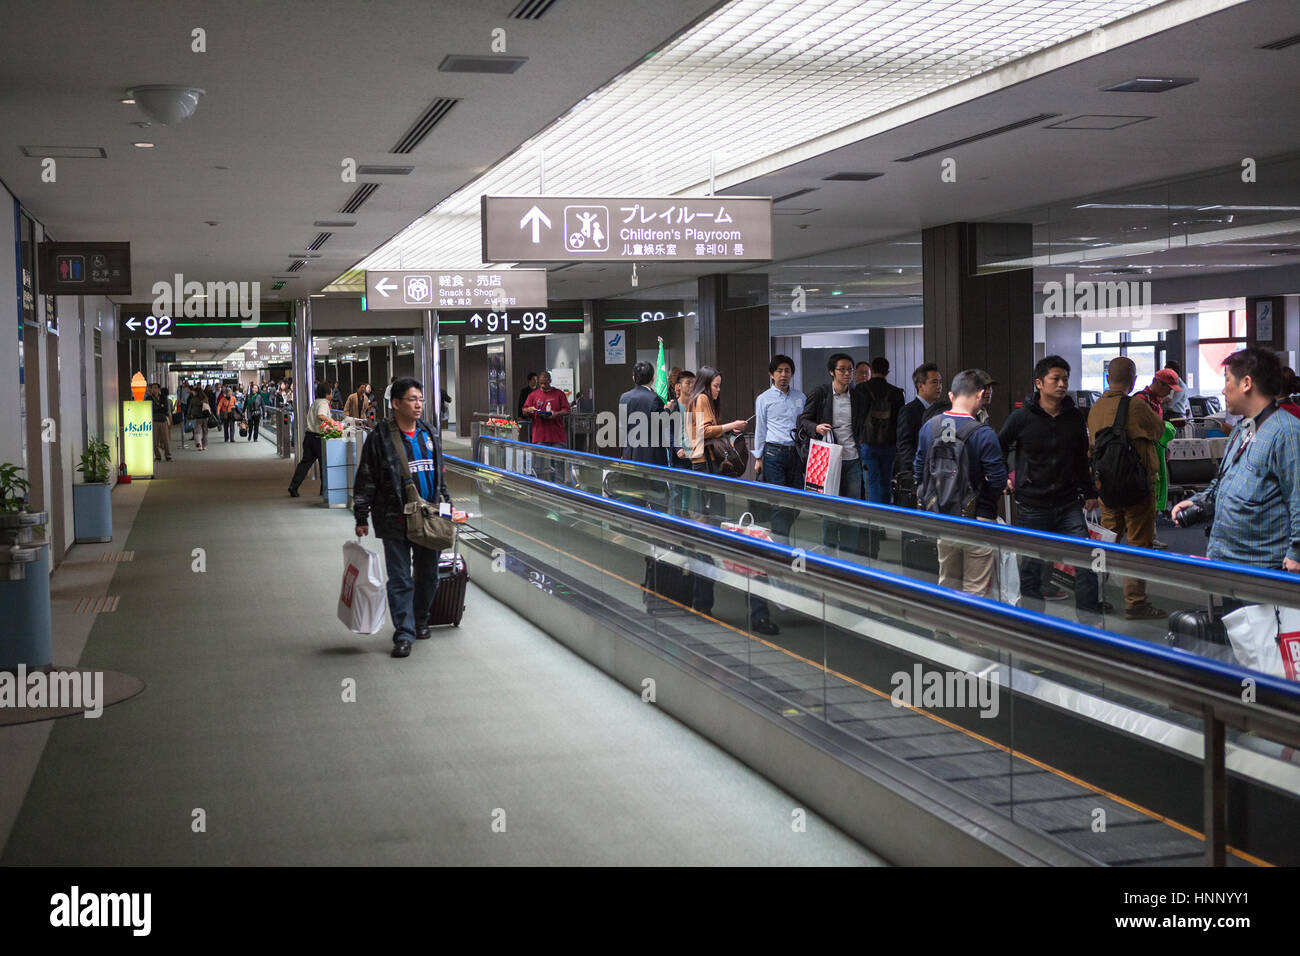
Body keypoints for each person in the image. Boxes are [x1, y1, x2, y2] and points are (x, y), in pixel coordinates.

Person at [998, 356, 1111, 613]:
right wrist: (1003, 475)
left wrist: (1090, 491)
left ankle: (1089, 617)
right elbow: (999, 446)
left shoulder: (1074, 417)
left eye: (1065, 379)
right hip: (1032, 505)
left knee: (1085, 558)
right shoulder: (1021, 418)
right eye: (1055, 379)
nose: (1062, 384)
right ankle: (1033, 619)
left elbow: (1081, 460)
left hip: (1068, 502)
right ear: (1039, 383)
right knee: (1032, 566)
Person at [1173, 348, 1300, 574]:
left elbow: (1298, 497)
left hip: (1265, 569)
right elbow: (1223, 482)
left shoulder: (1287, 432)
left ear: (1247, 383)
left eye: (1228, 380)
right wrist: (1198, 501)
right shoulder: (1242, 429)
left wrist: (1297, 552)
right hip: (1228, 562)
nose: (1223, 389)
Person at [353, 377, 451, 659]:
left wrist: (448, 507)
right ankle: (404, 634)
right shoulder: (381, 437)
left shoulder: (429, 433)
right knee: (399, 579)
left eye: (420, 399)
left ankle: (420, 620)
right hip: (393, 518)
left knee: (429, 576)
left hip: (429, 517)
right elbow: (366, 478)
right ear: (395, 404)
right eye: (412, 399)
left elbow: (439, 477)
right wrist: (361, 515)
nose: (419, 404)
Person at [914, 369, 1007, 597]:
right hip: (978, 518)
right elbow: (997, 480)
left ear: (951, 395)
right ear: (980, 395)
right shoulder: (983, 433)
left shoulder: (930, 427)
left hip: (942, 515)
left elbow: (918, 470)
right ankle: (969, 633)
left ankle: (943, 630)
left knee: (947, 579)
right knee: (975, 589)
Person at [1087, 357, 1166, 620]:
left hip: (1106, 487)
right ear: (1133, 380)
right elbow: (1158, 431)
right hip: (1137, 488)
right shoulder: (1136, 405)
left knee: (1107, 541)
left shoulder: (1095, 408)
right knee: (1138, 544)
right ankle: (1135, 602)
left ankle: (1095, 594)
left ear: (1108, 378)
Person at [748, 354, 804, 636]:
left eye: (787, 371)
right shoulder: (764, 399)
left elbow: (803, 427)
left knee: (794, 502)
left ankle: (782, 534)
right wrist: (758, 457)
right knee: (780, 502)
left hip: (795, 453)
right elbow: (760, 428)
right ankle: (779, 541)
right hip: (772, 452)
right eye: (779, 371)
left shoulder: (800, 397)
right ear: (771, 374)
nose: (784, 375)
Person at [685, 366, 747, 616]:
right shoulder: (701, 398)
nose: (718, 390)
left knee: (707, 516)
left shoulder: (699, 399)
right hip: (704, 463)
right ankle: (703, 594)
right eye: (716, 385)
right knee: (708, 517)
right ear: (706, 384)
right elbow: (704, 431)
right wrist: (730, 425)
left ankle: (703, 593)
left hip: (701, 461)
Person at [797, 353, 865, 502]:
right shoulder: (820, 393)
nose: (847, 373)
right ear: (831, 372)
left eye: (850, 369)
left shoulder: (858, 396)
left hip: (852, 457)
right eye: (842, 369)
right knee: (829, 503)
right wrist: (816, 427)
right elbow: (803, 420)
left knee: (853, 504)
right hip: (827, 457)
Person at [895, 363, 949, 505]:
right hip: (916, 476)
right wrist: (917, 470)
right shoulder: (909, 411)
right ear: (920, 385)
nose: (939, 386)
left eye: (940, 382)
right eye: (934, 382)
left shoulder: (942, 411)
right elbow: (904, 445)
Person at [857, 357, 906, 504]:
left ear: (872, 370)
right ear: (888, 371)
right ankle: (886, 517)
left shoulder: (860, 390)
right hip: (889, 444)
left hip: (868, 442)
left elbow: (857, 417)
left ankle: (874, 520)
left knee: (871, 482)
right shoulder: (897, 392)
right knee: (886, 482)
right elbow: (899, 420)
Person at [522, 371, 572, 483]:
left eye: (545, 383)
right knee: (538, 465)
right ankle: (540, 487)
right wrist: (529, 410)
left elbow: (567, 410)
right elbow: (524, 411)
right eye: (541, 384)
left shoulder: (559, 394)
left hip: (557, 436)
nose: (543, 386)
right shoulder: (533, 395)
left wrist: (556, 414)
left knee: (559, 465)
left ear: (550, 381)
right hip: (540, 436)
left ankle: (559, 489)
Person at [287, 383, 335, 497]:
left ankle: (294, 486)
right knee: (324, 464)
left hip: (309, 436)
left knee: (305, 463)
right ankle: (324, 490)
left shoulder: (315, 402)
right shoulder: (323, 403)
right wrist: (331, 422)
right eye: (331, 392)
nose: (332, 394)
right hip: (318, 438)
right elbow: (321, 416)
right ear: (327, 394)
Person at [618, 361, 666, 464]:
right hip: (651, 456)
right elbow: (661, 424)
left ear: (634, 378)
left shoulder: (624, 397)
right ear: (653, 379)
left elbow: (622, 428)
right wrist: (668, 410)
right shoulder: (655, 398)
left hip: (629, 453)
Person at [666, 369, 696, 469]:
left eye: (693, 383)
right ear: (678, 385)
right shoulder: (673, 406)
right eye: (688, 383)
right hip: (680, 457)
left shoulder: (698, 405)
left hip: (697, 456)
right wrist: (677, 448)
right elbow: (668, 431)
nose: (691, 386)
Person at [149, 384, 172, 462]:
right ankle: (157, 456)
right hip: (154, 420)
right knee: (155, 440)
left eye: (156, 388)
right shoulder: (149, 398)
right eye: (152, 388)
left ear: (159, 389)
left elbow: (165, 409)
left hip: (163, 420)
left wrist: (158, 408)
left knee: (165, 439)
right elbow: (150, 409)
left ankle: (168, 455)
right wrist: (160, 407)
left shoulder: (163, 397)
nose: (154, 389)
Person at [187, 384, 210, 451]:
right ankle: (204, 445)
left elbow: (190, 408)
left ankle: (199, 444)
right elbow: (208, 407)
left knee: (197, 431)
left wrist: (189, 415)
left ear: (196, 392)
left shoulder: (193, 399)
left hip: (197, 417)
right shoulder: (205, 398)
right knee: (205, 431)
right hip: (205, 417)